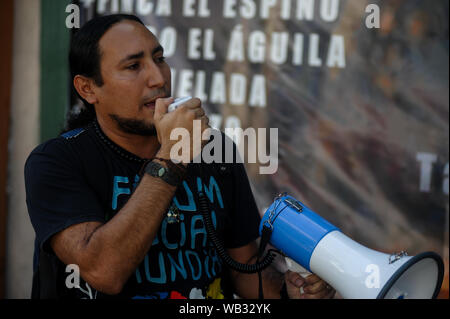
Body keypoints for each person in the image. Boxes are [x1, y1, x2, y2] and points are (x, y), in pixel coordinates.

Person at [25, 14, 336, 299]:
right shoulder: (57, 161)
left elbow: (244, 268)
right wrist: (173, 156)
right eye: (134, 66)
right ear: (88, 89)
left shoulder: (216, 152)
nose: (159, 78)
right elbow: (103, 271)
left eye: (159, 59)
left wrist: (290, 293)